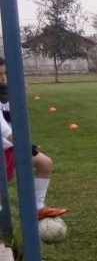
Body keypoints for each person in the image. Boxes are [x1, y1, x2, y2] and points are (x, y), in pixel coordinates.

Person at [0, 57, 67, 219]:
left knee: (45, 163)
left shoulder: (12, 93)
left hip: (10, 145)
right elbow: (3, 128)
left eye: (5, 73)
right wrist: (23, 144)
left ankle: (38, 208)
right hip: (7, 143)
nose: (3, 78)